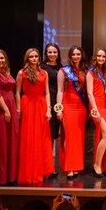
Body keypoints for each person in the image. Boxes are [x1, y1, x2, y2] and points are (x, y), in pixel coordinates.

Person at [16, 48, 54, 184]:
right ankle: (28, 172)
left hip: (41, 105)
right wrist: (18, 109)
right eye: (31, 56)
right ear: (27, 58)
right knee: (28, 138)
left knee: (41, 138)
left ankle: (41, 170)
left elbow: (47, 93)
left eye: (36, 56)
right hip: (27, 105)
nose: (33, 59)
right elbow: (17, 92)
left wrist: (49, 109)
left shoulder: (44, 73)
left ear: (39, 58)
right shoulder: (21, 73)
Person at [56, 45, 89, 180]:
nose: (76, 57)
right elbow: (60, 91)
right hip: (68, 107)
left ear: (81, 56)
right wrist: (59, 109)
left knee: (78, 139)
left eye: (78, 54)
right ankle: (69, 167)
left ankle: (76, 166)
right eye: (73, 54)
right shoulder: (63, 71)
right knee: (69, 137)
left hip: (81, 108)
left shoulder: (85, 71)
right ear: (70, 56)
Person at [0, 49, 20, 185]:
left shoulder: (6, 72)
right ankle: (1, 177)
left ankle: (11, 175)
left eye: (2, 58)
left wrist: (14, 109)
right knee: (1, 144)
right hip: (1, 109)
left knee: (12, 141)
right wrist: (6, 110)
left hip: (11, 106)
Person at [87, 48, 106, 178]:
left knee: (105, 136)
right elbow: (89, 93)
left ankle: (102, 165)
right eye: (99, 56)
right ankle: (96, 165)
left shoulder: (105, 72)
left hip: (105, 105)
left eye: (103, 56)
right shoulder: (90, 73)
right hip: (96, 105)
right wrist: (95, 109)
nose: (101, 58)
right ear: (95, 58)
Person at [41, 43, 62, 178]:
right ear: (46, 53)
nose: (52, 54)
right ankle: (43, 167)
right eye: (50, 52)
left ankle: (50, 166)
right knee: (45, 136)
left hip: (58, 104)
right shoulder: (42, 67)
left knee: (53, 135)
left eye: (55, 52)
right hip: (46, 103)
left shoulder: (61, 67)